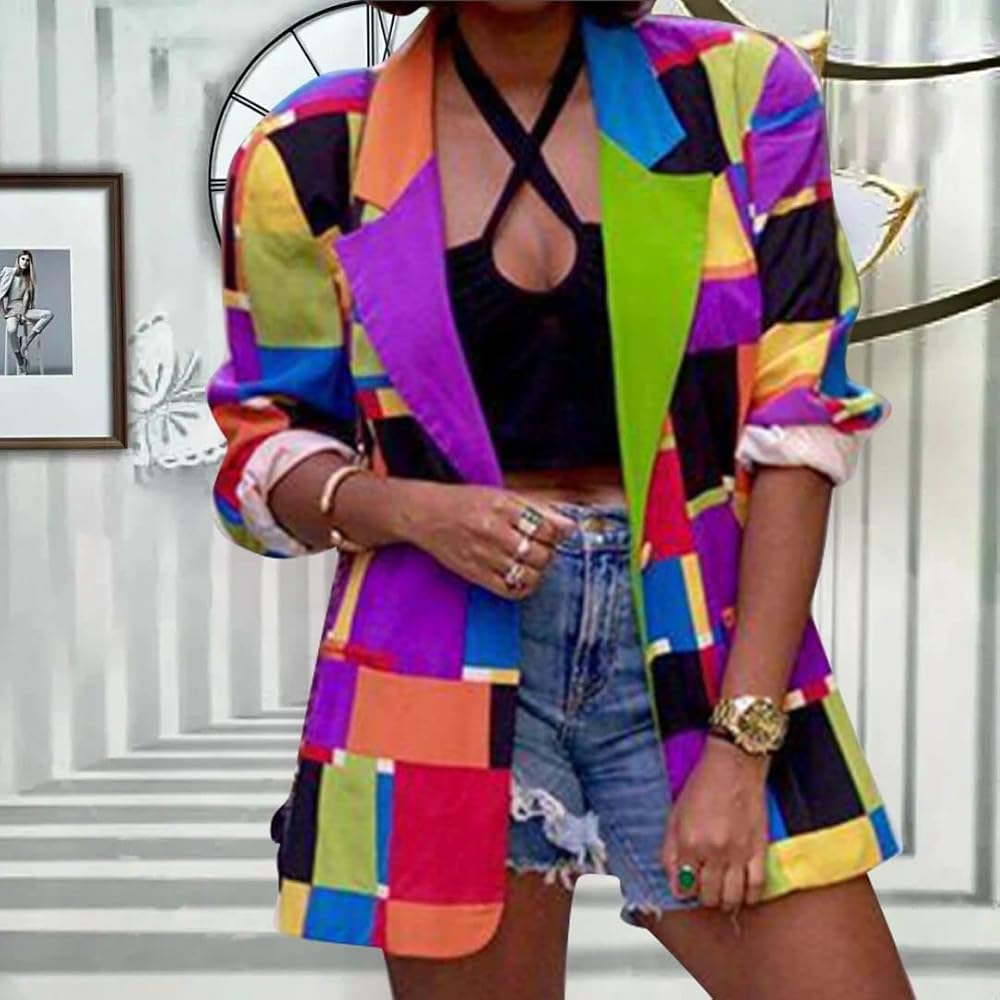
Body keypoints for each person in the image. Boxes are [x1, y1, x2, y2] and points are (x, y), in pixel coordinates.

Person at [207, 2, 914, 997]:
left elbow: (800, 417)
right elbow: (266, 447)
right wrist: (412, 511)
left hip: (698, 636)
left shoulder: (737, 94)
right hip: (440, 650)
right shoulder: (313, 149)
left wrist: (743, 739)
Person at [0, 250, 54, 375]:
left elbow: (26, 299)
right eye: (23, 259)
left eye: (28, 260)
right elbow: (0, 293)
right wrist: (3, 313)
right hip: (12, 310)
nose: (25, 262)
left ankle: (26, 342)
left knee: (48, 314)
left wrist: (23, 313)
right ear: (18, 260)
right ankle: (20, 359)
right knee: (11, 330)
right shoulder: (9, 272)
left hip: (25, 310)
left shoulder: (28, 279)